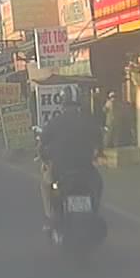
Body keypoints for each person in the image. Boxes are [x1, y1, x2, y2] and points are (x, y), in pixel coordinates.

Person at [38, 88, 104, 232]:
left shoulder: (55, 122)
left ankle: (50, 217)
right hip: (85, 170)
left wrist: (45, 159)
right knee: (98, 183)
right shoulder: (88, 121)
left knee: (45, 184)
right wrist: (97, 154)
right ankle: (94, 210)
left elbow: (42, 144)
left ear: (62, 103)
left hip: (60, 170)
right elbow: (99, 140)